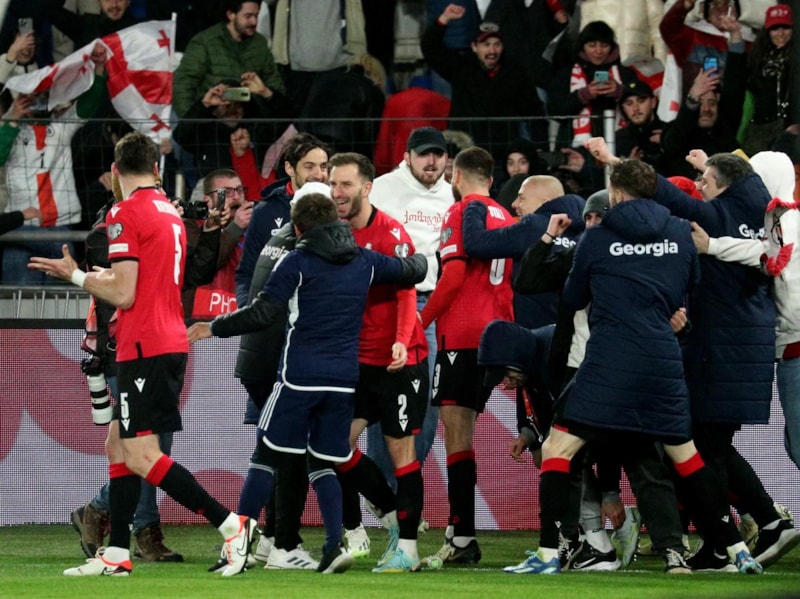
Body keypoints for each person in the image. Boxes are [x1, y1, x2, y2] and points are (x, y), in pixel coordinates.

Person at [503, 157, 762, 576]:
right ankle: (736, 551)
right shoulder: (679, 233)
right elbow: (690, 284)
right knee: (686, 456)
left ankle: (549, 554)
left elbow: (573, 297)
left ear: (617, 192)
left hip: (608, 362)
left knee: (556, 449)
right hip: (661, 360)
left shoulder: (598, 237)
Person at [29, 131, 254, 577]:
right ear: (155, 169)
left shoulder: (124, 213)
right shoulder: (170, 212)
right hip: (164, 337)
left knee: (141, 455)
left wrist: (76, 276)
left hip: (144, 343)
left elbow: (124, 294)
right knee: (118, 445)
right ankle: (116, 553)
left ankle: (232, 525)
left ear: (115, 172)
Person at [187, 191, 429, 574]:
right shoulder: (364, 260)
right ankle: (334, 546)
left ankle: (237, 546)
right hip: (343, 382)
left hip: (299, 379)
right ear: (336, 221)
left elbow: (263, 312)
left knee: (265, 456)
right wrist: (421, 256)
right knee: (323, 459)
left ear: (298, 229)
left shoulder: (297, 262)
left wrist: (212, 327)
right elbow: (412, 270)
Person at [590, 137, 793, 571]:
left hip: (720, 346)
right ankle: (758, 524)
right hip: (746, 344)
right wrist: (709, 166)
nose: (700, 189)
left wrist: (614, 161)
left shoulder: (716, 217)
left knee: (701, 448)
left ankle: (733, 538)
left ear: (725, 186)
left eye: (706, 182)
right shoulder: (758, 217)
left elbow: (663, 191)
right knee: (709, 444)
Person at [690, 149, 800, 546]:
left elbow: (766, 257)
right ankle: (765, 521)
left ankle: (759, 524)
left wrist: (712, 246)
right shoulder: (778, 222)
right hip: (785, 350)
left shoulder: (787, 224)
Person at [328, 152, 429, 572]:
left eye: (345, 184)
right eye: (333, 184)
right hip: (357, 362)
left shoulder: (390, 232)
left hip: (398, 361)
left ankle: (408, 549)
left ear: (367, 187)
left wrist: (402, 341)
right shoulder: (331, 234)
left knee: (400, 450)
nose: (337, 193)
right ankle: (392, 513)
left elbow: (406, 289)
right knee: (335, 446)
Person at [420, 146, 514, 565]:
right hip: (497, 335)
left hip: (462, 336)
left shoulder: (460, 212)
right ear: (491, 179)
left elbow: (454, 275)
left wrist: (420, 321)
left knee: (457, 437)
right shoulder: (505, 216)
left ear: (455, 177)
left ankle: (462, 538)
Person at [367, 126, 453, 499]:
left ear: (447, 158)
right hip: (384, 300)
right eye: (423, 154)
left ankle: (404, 491)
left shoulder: (452, 194)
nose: (431, 161)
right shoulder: (382, 188)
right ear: (407, 157)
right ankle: (382, 493)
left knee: (428, 399)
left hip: (432, 305)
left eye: (437, 154)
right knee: (381, 394)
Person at [0, 41, 107, 285]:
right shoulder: (11, 129)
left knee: (60, 303)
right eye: (30, 95)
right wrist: (13, 117)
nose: (36, 99)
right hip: (22, 228)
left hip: (61, 228)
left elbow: (87, 105)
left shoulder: (61, 128)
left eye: (42, 94)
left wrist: (99, 71)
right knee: (19, 303)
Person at [420, 3, 547, 162]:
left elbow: (534, 111)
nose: (492, 51)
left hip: (503, 155)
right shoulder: (461, 68)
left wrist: (541, 147)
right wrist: (444, 19)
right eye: (486, 45)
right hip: (465, 153)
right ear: (474, 47)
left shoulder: (515, 73)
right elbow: (430, 48)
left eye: (496, 44)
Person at [462, 174, 585, 329]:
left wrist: (475, 205)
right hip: (570, 333)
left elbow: (476, 244)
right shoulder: (584, 232)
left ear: (545, 203)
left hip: (532, 332)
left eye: (522, 198)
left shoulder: (533, 226)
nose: (514, 204)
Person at [235, 132, 330, 306]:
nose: (318, 175)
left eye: (323, 167)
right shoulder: (265, 212)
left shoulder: (339, 209)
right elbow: (247, 272)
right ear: (289, 168)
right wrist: (246, 309)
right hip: (274, 313)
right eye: (309, 167)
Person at [172, 79, 290, 192]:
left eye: (238, 105)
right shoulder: (204, 132)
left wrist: (265, 92)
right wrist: (204, 104)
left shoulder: (256, 130)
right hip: (218, 193)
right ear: (214, 110)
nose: (232, 111)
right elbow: (180, 136)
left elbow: (285, 121)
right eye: (227, 106)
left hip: (251, 192)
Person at [172, 1, 285, 117]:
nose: (254, 22)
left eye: (256, 16)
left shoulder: (260, 43)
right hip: (214, 120)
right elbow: (182, 85)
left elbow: (274, 84)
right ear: (231, 15)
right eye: (248, 16)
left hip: (251, 121)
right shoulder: (205, 42)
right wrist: (192, 122)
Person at [659, 30, 747, 179]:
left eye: (712, 103)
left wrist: (736, 37)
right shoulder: (675, 134)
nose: (706, 109)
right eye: (699, 103)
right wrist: (693, 97)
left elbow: (735, 88)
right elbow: (674, 141)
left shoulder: (725, 132)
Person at [547, 20, 636, 148]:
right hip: (575, 148)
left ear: (612, 47)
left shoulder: (625, 73)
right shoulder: (566, 74)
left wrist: (620, 92)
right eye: (592, 45)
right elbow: (554, 111)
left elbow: (641, 105)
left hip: (619, 144)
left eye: (604, 45)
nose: (598, 51)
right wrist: (582, 95)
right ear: (582, 46)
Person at [181, 168, 253, 321]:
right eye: (226, 193)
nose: (236, 197)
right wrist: (235, 227)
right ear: (207, 200)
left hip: (239, 320)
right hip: (197, 321)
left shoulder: (253, 230)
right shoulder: (190, 227)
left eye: (239, 190)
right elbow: (207, 263)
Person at [742, 4, 794, 156]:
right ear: (767, 31)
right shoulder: (756, 57)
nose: (781, 33)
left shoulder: (796, 56)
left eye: (785, 27)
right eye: (775, 28)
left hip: (789, 126)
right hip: (760, 127)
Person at [615, 78, 665, 170]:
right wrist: (628, 169)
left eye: (641, 101)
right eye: (629, 103)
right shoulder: (618, 139)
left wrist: (667, 145)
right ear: (623, 108)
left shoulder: (668, 132)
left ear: (653, 102)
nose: (635, 108)